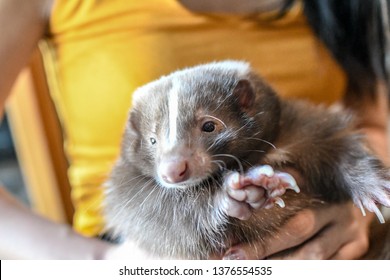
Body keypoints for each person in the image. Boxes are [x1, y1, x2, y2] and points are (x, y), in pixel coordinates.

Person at [0, 0, 389, 259]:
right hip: (142, 249)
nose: (173, 167)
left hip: (334, 241)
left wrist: (363, 201)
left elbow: (371, 125)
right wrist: (105, 263)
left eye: (207, 127)